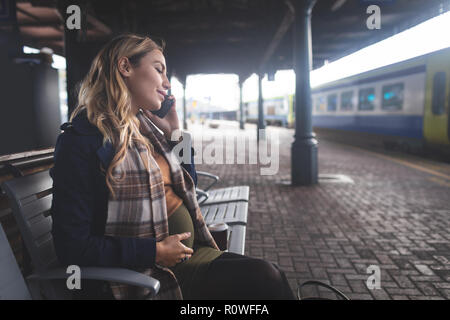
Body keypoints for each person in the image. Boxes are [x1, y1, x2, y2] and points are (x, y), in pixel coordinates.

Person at [50, 33, 296, 300]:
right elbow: (72, 247)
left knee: (274, 274)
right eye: (159, 70)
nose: (167, 83)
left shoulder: (144, 131)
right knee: (265, 280)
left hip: (187, 256)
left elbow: (189, 184)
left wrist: (175, 133)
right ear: (125, 67)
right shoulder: (81, 142)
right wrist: (154, 252)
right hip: (143, 275)